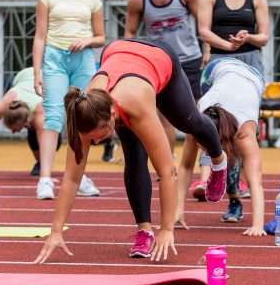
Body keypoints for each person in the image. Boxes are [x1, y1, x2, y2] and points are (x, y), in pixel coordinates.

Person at [33, 39, 227, 265]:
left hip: (158, 58)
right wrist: (55, 231)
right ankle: (144, 231)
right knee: (134, 157)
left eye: (99, 135)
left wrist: (166, 229)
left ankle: (219, 159)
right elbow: (72, 178)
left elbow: (166, 172)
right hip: (118, 52)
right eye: (92, 138)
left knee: (189, 122)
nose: (94, 142)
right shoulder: (83, 111)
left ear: (112, 116)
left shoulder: (135, 103)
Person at [194, 0, 269, 220]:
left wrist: (247, 37)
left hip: (250, 64)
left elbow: (265, 37)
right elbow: (203, 31)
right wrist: (228, 45)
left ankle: (241, 190)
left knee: (243, 135)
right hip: (219, 64)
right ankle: (231, 194)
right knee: (216, 127)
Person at [33, 0, 105, 200]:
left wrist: (86, 41)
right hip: (54, 59)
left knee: (81, 117)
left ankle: (79, 175)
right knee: (52, 115)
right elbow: (40, 36)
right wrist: (36, 71)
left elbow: (101, 37)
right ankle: (44, 179)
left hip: (83, 60)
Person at [124, 0, 207, 162]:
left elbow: (204, 23)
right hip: (161, 63)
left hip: (189, 59)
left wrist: (207, 50)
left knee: (197, 112)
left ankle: (201, 161)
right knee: (163, 116)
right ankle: (168, 162)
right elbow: (129, 33)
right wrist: (132, 59)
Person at [176, 58, 267, 236]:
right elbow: (185, 166)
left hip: (254, 78)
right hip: (215, 70)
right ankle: (219, 173)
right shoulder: (194, 119)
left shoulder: (245, 133)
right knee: (216, 153)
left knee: (238, 158)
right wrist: (178, 210)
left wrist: (258, 225)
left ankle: (232, 191)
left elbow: (255, 181)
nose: (203, 151)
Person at [0, 67, 60, 176]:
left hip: (48, 78)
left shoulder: (39, 112)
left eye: (14, 129)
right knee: (34, 133)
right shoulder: (4, 104)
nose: (13, 132)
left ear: (26, 120)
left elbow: (47, 144)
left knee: (51, 139)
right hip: (23, 76)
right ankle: (39, 162)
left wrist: (45, 174)